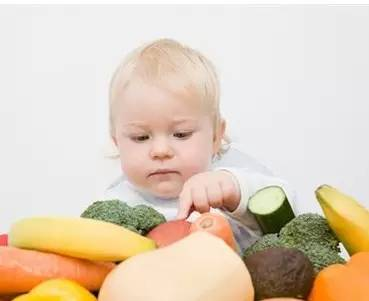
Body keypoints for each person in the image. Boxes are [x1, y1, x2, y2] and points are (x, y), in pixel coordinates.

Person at [104, 38, 296, 252]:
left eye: (181, 134)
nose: (160, 151)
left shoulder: (229, 177)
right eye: (141, 137)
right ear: (117, 142)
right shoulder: (116, 205)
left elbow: (291, 211)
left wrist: (234, 190)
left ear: (216, 137)